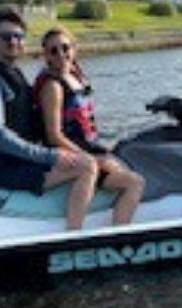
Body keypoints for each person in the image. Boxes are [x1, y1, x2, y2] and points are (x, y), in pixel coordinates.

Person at [0, 7, 101, 230]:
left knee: (92, 157)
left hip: (16, 159)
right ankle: (74, 235)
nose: (13, 42)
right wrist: (49, 155)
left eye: (18, 36)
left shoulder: (13, 72)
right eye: (6, 37)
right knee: (86, 166)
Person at [35, 26, 144, 225]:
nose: (61, 54)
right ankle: (77, 232)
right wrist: (91, 158)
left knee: (130, 174)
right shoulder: (53, 87)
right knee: (134, 182)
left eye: (65, 48)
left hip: (87, 149)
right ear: (46, 56)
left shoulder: (75, 77)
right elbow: (53, 135)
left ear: (74, 50)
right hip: (67, 155)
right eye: (53, 50)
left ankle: (117, 232)